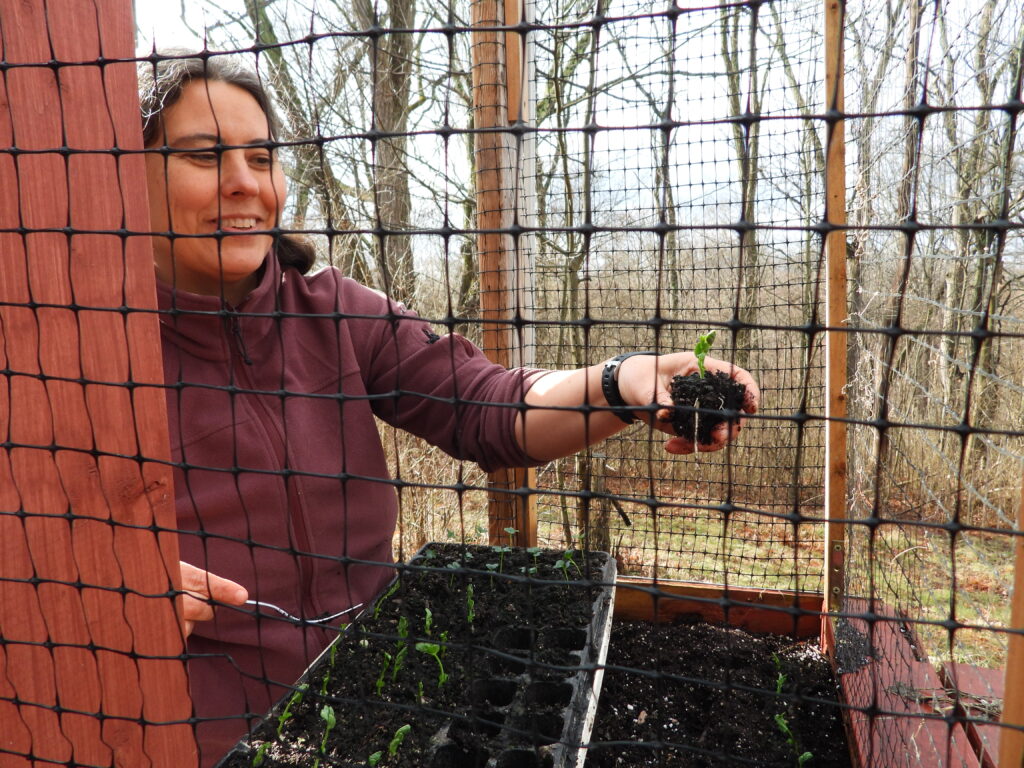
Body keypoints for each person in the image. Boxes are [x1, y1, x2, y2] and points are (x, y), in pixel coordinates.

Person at [139, 52, 760, 766]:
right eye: (203, 156)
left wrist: (618, 383)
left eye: (260, 155)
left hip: (375, 702)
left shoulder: (336, 311)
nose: (245, 181)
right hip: (200, 736)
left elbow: (485, 405)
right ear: (130, 175)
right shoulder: (81, 354)